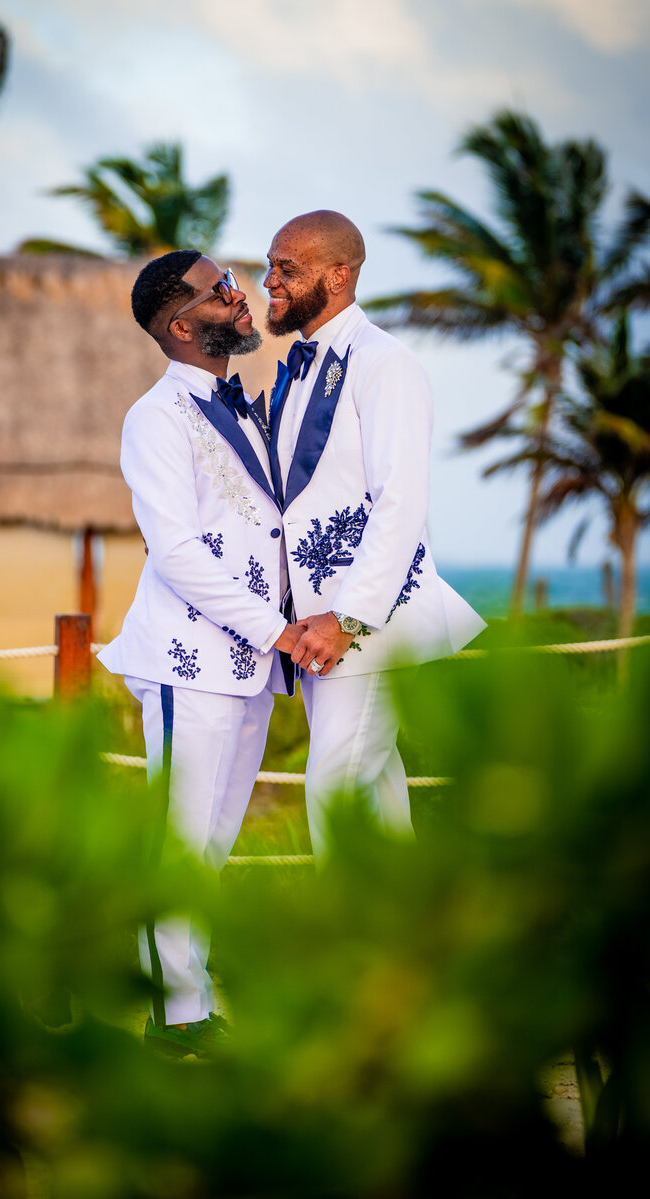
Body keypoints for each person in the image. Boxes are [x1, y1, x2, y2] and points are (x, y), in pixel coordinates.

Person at [97, 250, 301, 1057]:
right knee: (182, 845)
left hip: (246, 664)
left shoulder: (240, 403)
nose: (238, 292)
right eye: (218, 288)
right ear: (182, 325)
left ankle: (175, 999)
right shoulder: (157, 417)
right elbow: (176, 549)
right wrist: (276, 629)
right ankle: (176, 1019)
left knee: (208, 847)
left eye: (234, 281)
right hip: (191, 658)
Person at [264, 211, 486, 859]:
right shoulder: (298, 370)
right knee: (379, 800)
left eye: (287, 268)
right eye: (271, 265)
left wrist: (350, 618)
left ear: (340, 274)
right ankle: (415, 946)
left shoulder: (386, 363)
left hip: (366, 628)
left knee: (334, 795)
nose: (269, 281)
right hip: (318, 630)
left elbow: (402, 501)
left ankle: (343, 956)